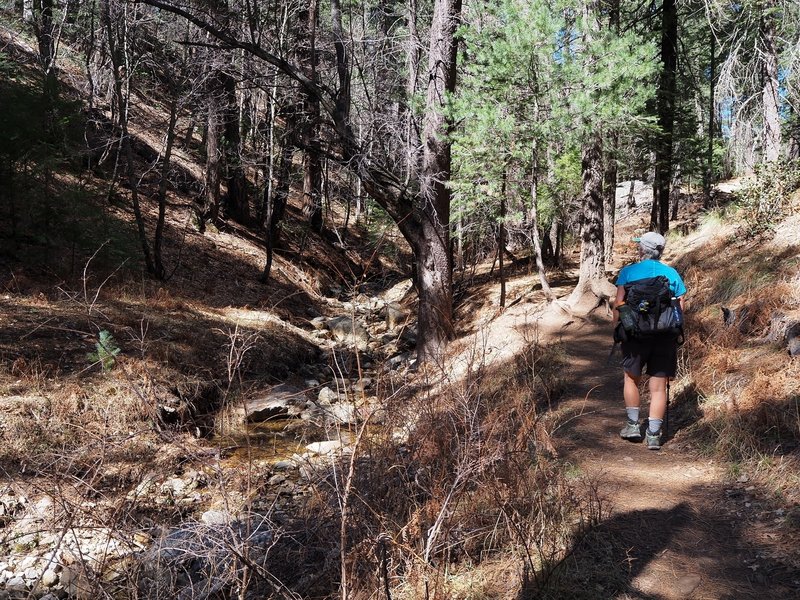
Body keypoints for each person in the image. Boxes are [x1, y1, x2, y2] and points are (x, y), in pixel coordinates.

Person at [613, 231, 686, 450]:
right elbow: (680, 309)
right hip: (665, 336)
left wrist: (616, 330)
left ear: (642, 249)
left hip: (635, 335)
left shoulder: (629, 272)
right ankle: (654, 435)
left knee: (631, 379)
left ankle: (633, 425)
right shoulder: (672, 274)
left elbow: (619, 304)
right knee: (658, 387)